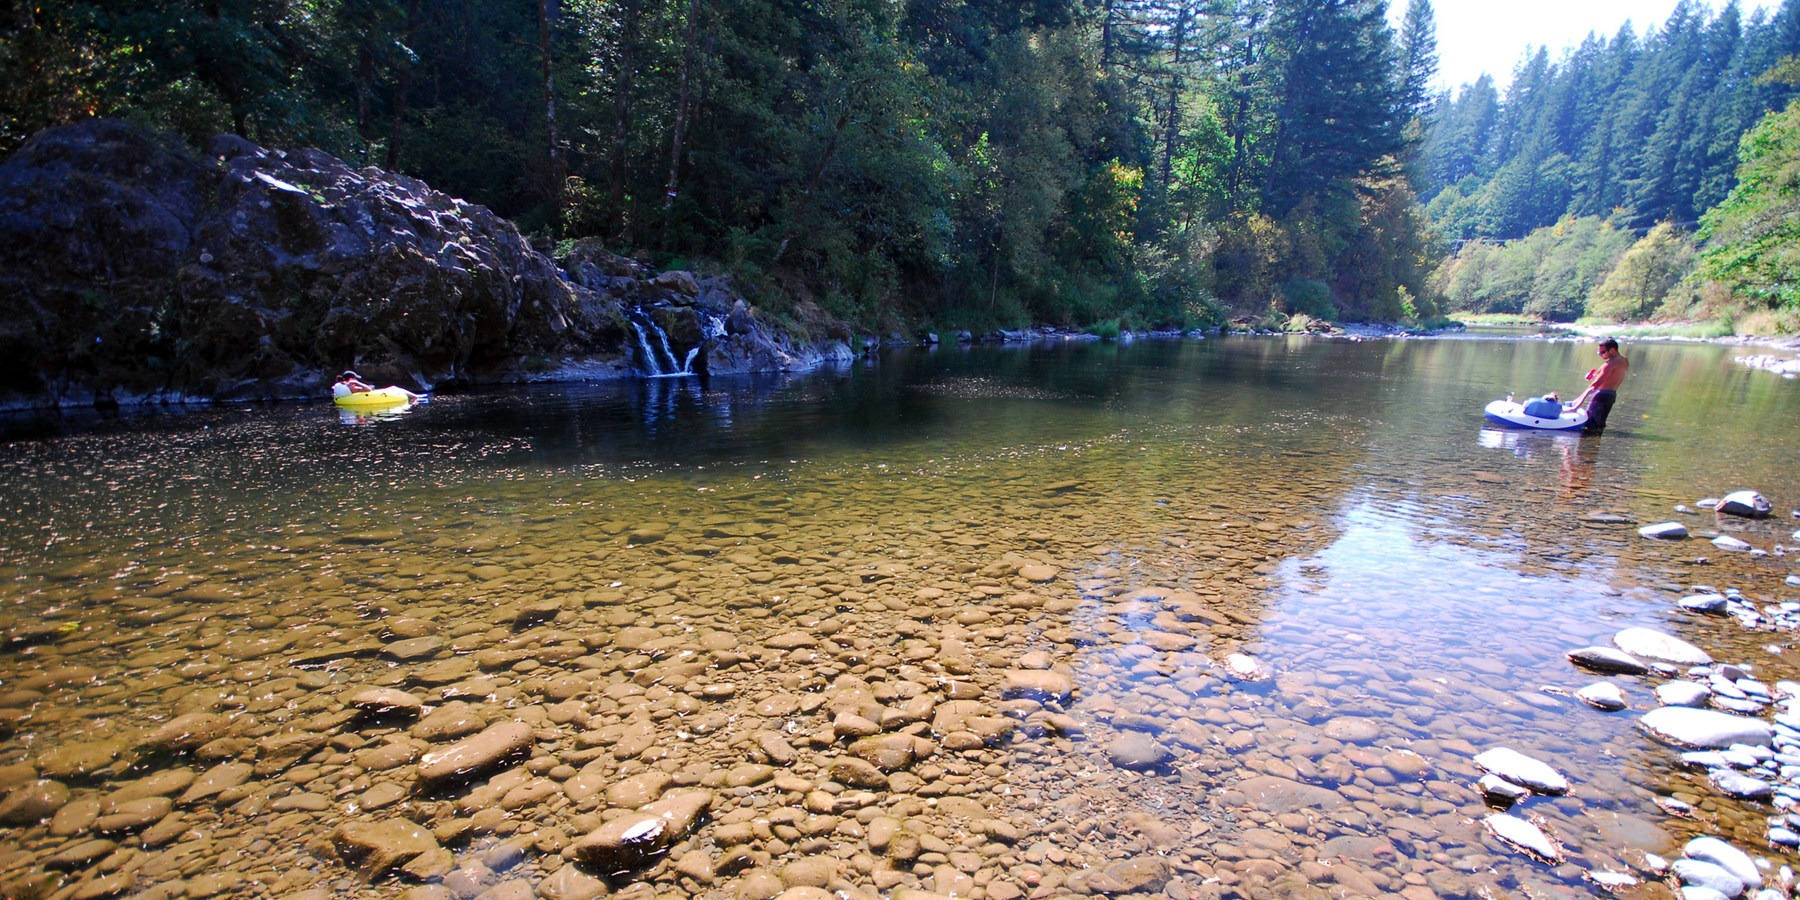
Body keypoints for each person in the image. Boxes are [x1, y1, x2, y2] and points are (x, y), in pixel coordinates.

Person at [1564, 338, 1628, 434]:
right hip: (1611, 395)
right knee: (1600, 424)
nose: (1601, 355)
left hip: (1600, 397)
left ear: (1612, 350)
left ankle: (1587, 445)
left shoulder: (1609, 364)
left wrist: (1577, 401)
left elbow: (1595, 385)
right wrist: (1595, 376)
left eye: (1603, 352)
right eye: (1599, 353)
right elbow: (1611, 377)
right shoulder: (1624, 361)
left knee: (1590, 424)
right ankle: (1594, 445)